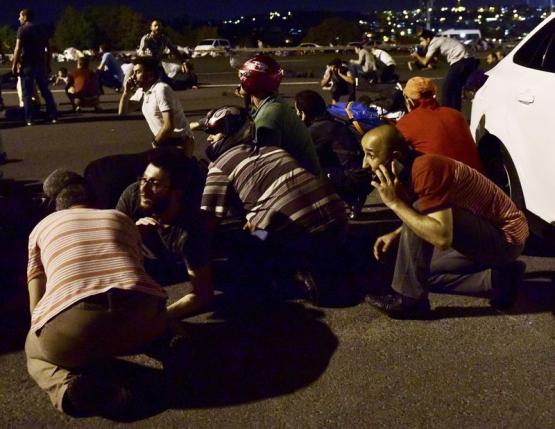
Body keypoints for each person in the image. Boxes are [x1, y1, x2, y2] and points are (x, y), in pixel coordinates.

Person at [25, 169, 170, 416]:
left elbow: (35, 302)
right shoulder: (120, 218)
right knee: (160, 318)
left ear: (56, 206)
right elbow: (138, 268)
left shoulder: (41, 228)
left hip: (75, 327)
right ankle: (173, 346)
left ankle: (67, 388)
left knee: (34, 352)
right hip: (140, 313)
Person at [361, 125, 528, 319]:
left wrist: (395, 203)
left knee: (416, 218)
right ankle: (501, 279)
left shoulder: (425, 170)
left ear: (395, 157)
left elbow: (442, 238)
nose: (364, 164)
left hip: (506, 238)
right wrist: (396, 234)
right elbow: (429, 212)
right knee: (416, 274)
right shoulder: (412, 166)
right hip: (488, 231)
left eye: (370, 155)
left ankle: (409, 301)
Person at [198, 106, 348, 302]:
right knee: (256, 221)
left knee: (235, 235)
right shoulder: (274, 150)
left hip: (298, 241)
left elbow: (207, 221)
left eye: (214, 131)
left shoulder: (220, 165)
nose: (209, 138)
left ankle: (288, 276)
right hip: (339, 226)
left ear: (232, 131)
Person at [116, 148, 213, 300]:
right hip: (146, 261)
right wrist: (133, 233)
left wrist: (163, 314)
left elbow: (202, 293)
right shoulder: (134, 194)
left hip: (176, 264)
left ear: (176, 192)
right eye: (144, 179)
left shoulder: (188, 231)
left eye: (154, 183)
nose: (143, 189)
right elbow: (110, 244)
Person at [238, 54, 321, 175]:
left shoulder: (268, 117)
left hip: (300, 181)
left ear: (250, 81)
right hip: (305, 176)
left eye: (242, 75)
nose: (240, 79)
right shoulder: (273, 103)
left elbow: (263, 163)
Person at [294, 89, 372, 217]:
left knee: (303, 169)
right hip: (363, 173)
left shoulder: (316, 130)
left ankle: (339, 204)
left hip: (354, 179)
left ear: (303, 113)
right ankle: (352, 197)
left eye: (298, 110)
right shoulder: (332, 119)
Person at [396, 76, 483, 172]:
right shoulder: (456, 114)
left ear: (410, 101)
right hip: (478, 177)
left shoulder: (406, 123)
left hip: (444, 178)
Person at [118, 56, 195, 156]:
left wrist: (156, 142)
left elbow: (169, 126)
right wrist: (126, 92)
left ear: (150, 75)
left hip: (180, 142)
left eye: (138, 72)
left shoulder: (161, 89)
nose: (133, 76)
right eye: (133, 72)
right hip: (164, 141)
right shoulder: (142, 92)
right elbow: (123, 112)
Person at [11, 8, 58, 125]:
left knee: (27, 93)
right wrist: (48, 64)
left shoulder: (22, 29)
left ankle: (29, 118)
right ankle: (53, 115)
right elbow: (49, 49)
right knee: (45, 91)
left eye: (20, 16)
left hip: (27, 64)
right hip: (40, 64)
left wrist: (14, 65)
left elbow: (18, 48)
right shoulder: (42, 29)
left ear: (25, 17)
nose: (19, 19)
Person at [411, 29, 478, 110]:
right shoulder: (440, 40)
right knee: (455, 90)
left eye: (422, 41)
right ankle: (455, 112)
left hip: (461, 61)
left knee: (447, 89)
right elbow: (434, 61)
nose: (421, 43)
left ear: (428, 39)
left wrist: (416, 55)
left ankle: (445, 112)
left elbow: (425, 62)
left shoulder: (433, 43)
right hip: (469, 60)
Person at [137, 19, 188, 87]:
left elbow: (174, 50)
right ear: (151, 28)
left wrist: (183, 62)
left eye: (159, 26)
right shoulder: (146, 39)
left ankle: (189, 81)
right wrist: (146, 54)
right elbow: (141, 52)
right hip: (147, 67)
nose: (157, 27)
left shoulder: (164, 39)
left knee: (171, 84)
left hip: (157, 66)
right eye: (155, 25)